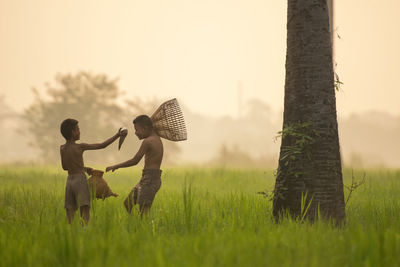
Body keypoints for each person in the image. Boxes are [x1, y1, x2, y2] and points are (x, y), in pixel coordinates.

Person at [60, 118, 121, 225]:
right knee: (85, 208)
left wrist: (84, 168)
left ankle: (68, 232)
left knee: (69, 209)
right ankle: (85, 230)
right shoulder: (80, 146)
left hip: (69, 181)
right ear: (73, 132)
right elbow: (102, 145)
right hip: (80, 180)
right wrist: (117, 135)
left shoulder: (62, 148)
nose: (80, 132)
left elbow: (65, 167)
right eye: (78, 129)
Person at [106, 115, 163, 217]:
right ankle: (135, 225)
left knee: (144, 210)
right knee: (127, 204)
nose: (135, 133)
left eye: (137, 130)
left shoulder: (148, 141)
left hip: (150, 179)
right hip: (146, 178)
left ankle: (143, 228)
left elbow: (135, 160)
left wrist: (116, 166)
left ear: (145, 128)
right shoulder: (156, 139)